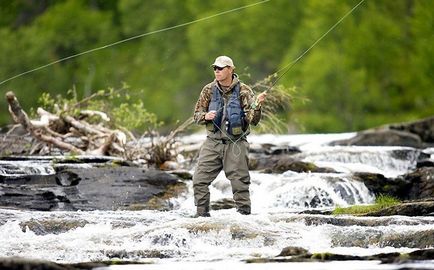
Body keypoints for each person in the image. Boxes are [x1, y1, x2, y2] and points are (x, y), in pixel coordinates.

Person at [192, 55, 267, 217]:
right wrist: (205, 116)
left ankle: (244, 219)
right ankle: (201, 219)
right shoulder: (208, 90)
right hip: (212, 143)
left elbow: (253, 121)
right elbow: (196, 115)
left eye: (220, 68)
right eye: (215, 68)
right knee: (199, 181)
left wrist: (257, 106)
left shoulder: (244, 91)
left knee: (240, 184)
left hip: (236, 143)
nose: (216, 71)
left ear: (231, 69)